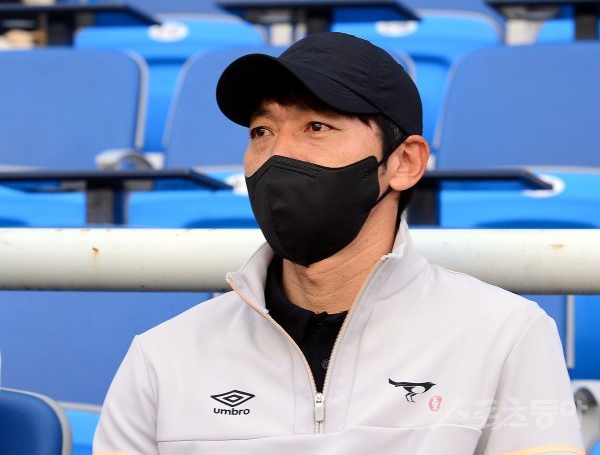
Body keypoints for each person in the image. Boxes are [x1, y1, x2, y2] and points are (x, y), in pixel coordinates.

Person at [94, 32, 584, 455]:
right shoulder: (163, 358)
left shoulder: (505, 337)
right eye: (262, 131)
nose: (278, 155)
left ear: (404, 163)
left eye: (317, 127)